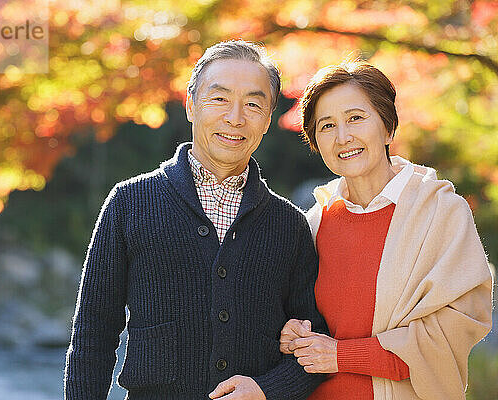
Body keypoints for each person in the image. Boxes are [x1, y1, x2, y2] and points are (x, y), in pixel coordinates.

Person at [64, 40, 327, 400]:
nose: (235, 117)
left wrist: (268, 389)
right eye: (219, 99)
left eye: (253, 104)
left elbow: (314, 344)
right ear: (190, 105)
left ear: (267, 120)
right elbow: (93, 334)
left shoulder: (290, 225)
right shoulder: (130, 203)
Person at [278, 60, 493, 400]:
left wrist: (340, 355)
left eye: (356, 118)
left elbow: (452, 333)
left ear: (388, 128)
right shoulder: (313, 223)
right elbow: (302, 319)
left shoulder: (440, 213)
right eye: (326, 126)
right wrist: (293, 333)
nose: (343, 136)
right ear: (315, 143)